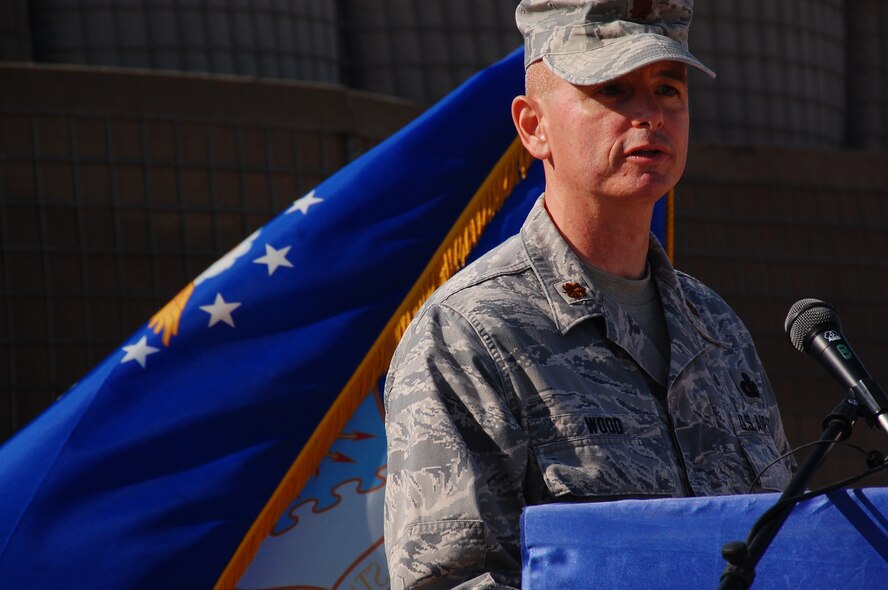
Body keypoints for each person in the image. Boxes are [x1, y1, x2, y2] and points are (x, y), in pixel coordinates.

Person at [383, 1, 795, 588]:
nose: (650, 113)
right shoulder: (471, 333)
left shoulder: (717, 330)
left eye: (668, 89)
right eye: (613, 90)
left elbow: (785, 546)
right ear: (533, 127)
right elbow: (450, 581)